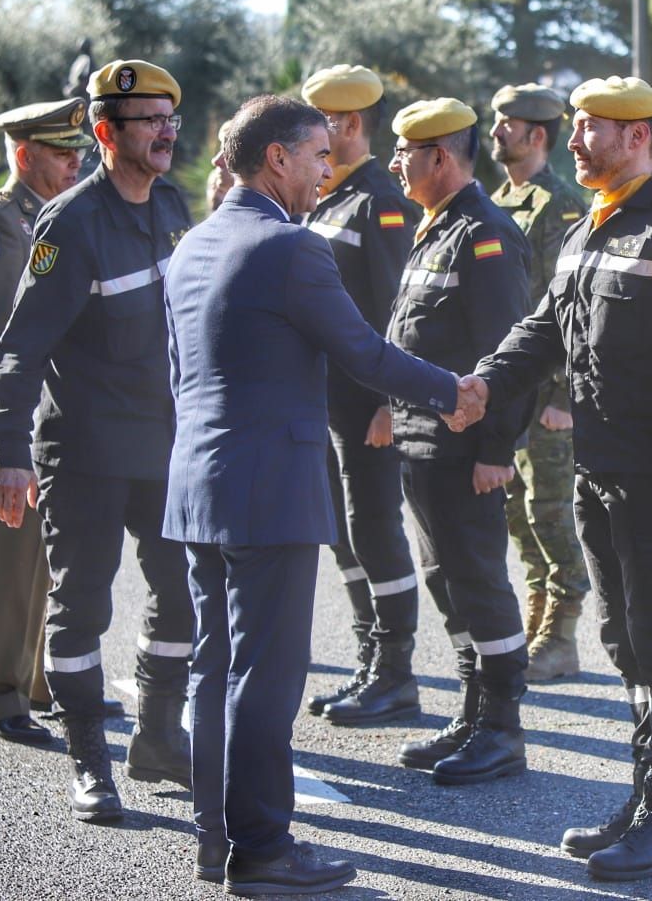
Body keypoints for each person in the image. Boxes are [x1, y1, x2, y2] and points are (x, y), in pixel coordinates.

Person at [165, 94, 478, 895]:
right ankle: (263, 849)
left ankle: (214, 836)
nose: (325, 170)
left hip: (199, 482)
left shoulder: (194, 243)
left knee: (212, 667)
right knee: (266, 674)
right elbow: (363, 353)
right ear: (276, 158)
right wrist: (451, 390)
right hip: (269, 487)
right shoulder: (290, 247)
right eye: (314, 156)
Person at [471, 75, 652, 881]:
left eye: (588, 128)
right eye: (571, 127)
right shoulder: (589, 227)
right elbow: (544, 329)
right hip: (601, 471)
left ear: (637, 137)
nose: (572, 141)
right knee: (622, 639)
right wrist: (481, 384)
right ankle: (643, 800)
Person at [0, 59, 195, 822]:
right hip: (89, 451)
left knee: (183, 593)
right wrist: (7, 449)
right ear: (106, 133)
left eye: (172, 118)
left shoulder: (171, 202)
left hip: (165, 448)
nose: (167, 131)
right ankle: (90, 762)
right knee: (80, 610)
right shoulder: (66, 224)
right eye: (150, 120)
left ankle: (160, 737)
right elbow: (18, 347)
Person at [385, 97, 533, 785]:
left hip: (464, 451)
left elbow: (509, 353)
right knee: (448, 583)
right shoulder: (433, 228)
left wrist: (496, 449)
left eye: (405, 153)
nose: (395, 164)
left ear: (438, 156)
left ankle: (502, 728)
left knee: (479, 582)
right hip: (421, 441)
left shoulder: (484, 233)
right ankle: (472, 713)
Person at [0, 98, 91, 746]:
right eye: (62, 153)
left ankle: (39, 681)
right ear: (22, 155)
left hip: (52, 420)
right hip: (9, 424)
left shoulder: (54, 218)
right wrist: (11, 431)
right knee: (9, 565)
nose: (74, 163)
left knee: (50, 562)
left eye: (77, 152)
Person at [296, 65, 426, 727]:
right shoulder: (326, 197)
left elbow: (396, 309)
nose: (308, 134)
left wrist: (389, 402)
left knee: (375, 528)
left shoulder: (381, 199)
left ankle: (396, 672)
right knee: (344, 535)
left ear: (345, 124)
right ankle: (368, 659)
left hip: (367, 403)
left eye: (316, 122)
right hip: (327, 401)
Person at [487, 82, 589, 680]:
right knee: (518, 512)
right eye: (497, 121)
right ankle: (537, 615)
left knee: (551, 509)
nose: (497, 131)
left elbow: (571, 310)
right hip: (512, 385)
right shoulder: (501, 199)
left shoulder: (560, 204)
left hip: (546, 390)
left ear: (537, 135)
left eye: (509, 123)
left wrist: (563, 395)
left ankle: (563, 633)